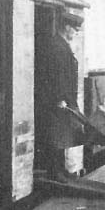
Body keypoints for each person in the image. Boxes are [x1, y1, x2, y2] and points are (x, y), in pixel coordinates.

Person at [36, 9, 85, 176]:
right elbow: (53, 76)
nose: (75, 33)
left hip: (64, 99)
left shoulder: (61, 45)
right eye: (75, 30)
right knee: (55, 136)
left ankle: (59, 170)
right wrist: (59, 99)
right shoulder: (55, 46)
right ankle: (54, 172)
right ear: (66, 27)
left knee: (62, 135)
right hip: (57, 100)